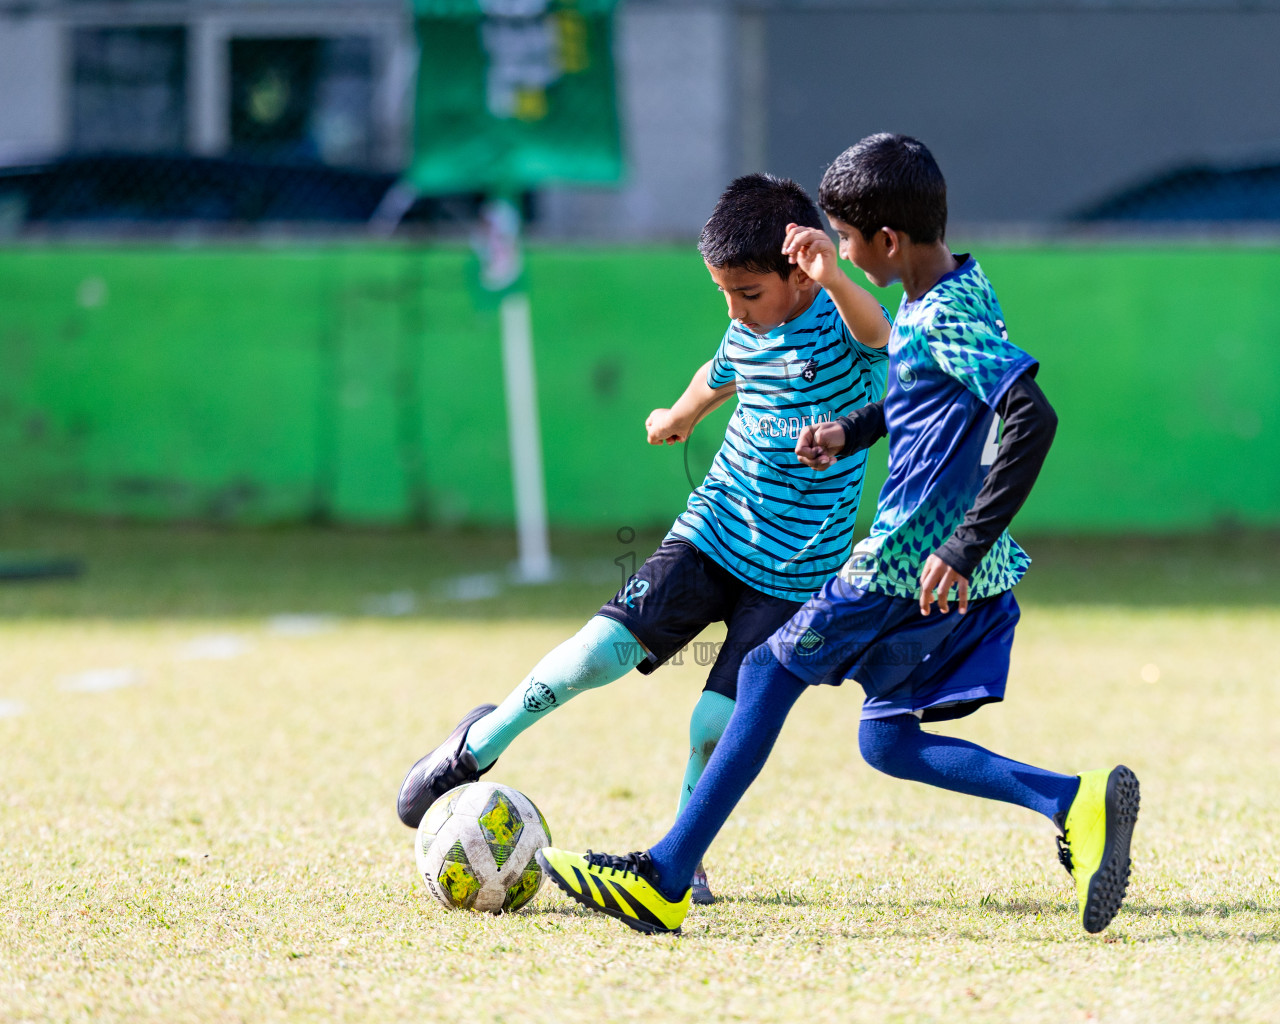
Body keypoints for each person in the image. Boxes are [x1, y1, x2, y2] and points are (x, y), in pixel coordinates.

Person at [535, 134, 1139, 936]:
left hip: (903, 564)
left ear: (886, 240)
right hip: (944, 567)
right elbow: (925, 391)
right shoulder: (956, 288)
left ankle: (665, 875)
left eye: (848, 242)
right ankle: (1077, 802)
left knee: (763, 672)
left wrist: (961, 543)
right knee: (887, 741)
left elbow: (1030, 414)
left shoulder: (946, 312)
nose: (841, 256)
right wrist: (849, 433)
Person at [396, 174, 890, 904]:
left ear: (799, 271)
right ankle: (477, 743)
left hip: (795, 573)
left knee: (716, 722)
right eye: (723, 293)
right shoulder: (744, 327)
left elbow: (880, 333)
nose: (735, 309)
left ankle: (681, 857)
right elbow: (717, 373)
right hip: (715, 530)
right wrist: (681, 414)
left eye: (748, 293)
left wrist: (837, 274)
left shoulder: (845, 327)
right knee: (596, 655)